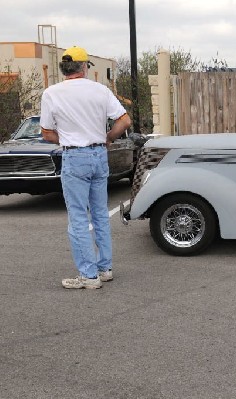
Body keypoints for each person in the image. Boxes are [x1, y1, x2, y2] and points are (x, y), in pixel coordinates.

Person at [40, 46, 132, 289]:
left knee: (78, 217)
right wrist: (108, 137)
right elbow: (125, 120)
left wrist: (69, 138)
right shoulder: (100, 90)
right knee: (100, 213)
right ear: (84, 67)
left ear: (63, 68)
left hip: (75, 156)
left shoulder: (52, 93)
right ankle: (105, 268)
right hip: (99, 154)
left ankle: (89, 276)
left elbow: (47, 133)